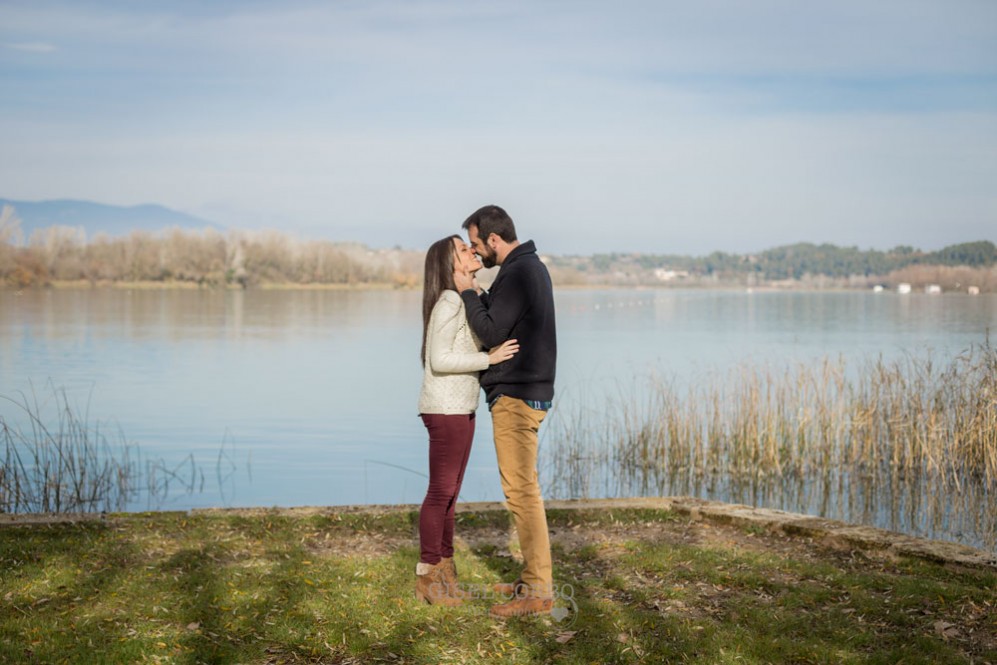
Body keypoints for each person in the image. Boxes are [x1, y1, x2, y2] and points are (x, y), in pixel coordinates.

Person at [453, 205, 557, 618]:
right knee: (523, 488)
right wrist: (480, 294)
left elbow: (493, 330)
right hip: (524, 391)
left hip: (516, 396)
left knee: (521, 492)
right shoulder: (529, 268)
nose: (476, 255)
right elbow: (501, 317)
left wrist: (464, 291)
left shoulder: (518, 271)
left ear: (494, 239)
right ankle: (532, 577)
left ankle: (538, 590)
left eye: (477, 245)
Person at [415, 234, 520, 606]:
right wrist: (488, 360)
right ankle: (428, 575)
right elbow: (439, 360)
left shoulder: (460, 299)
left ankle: (445, 573)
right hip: (444, 408)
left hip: (460, 406)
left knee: (451, 496)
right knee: (440, 492)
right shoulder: (447, 301)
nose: (472, 251)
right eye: (463, 250)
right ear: (450, 265)